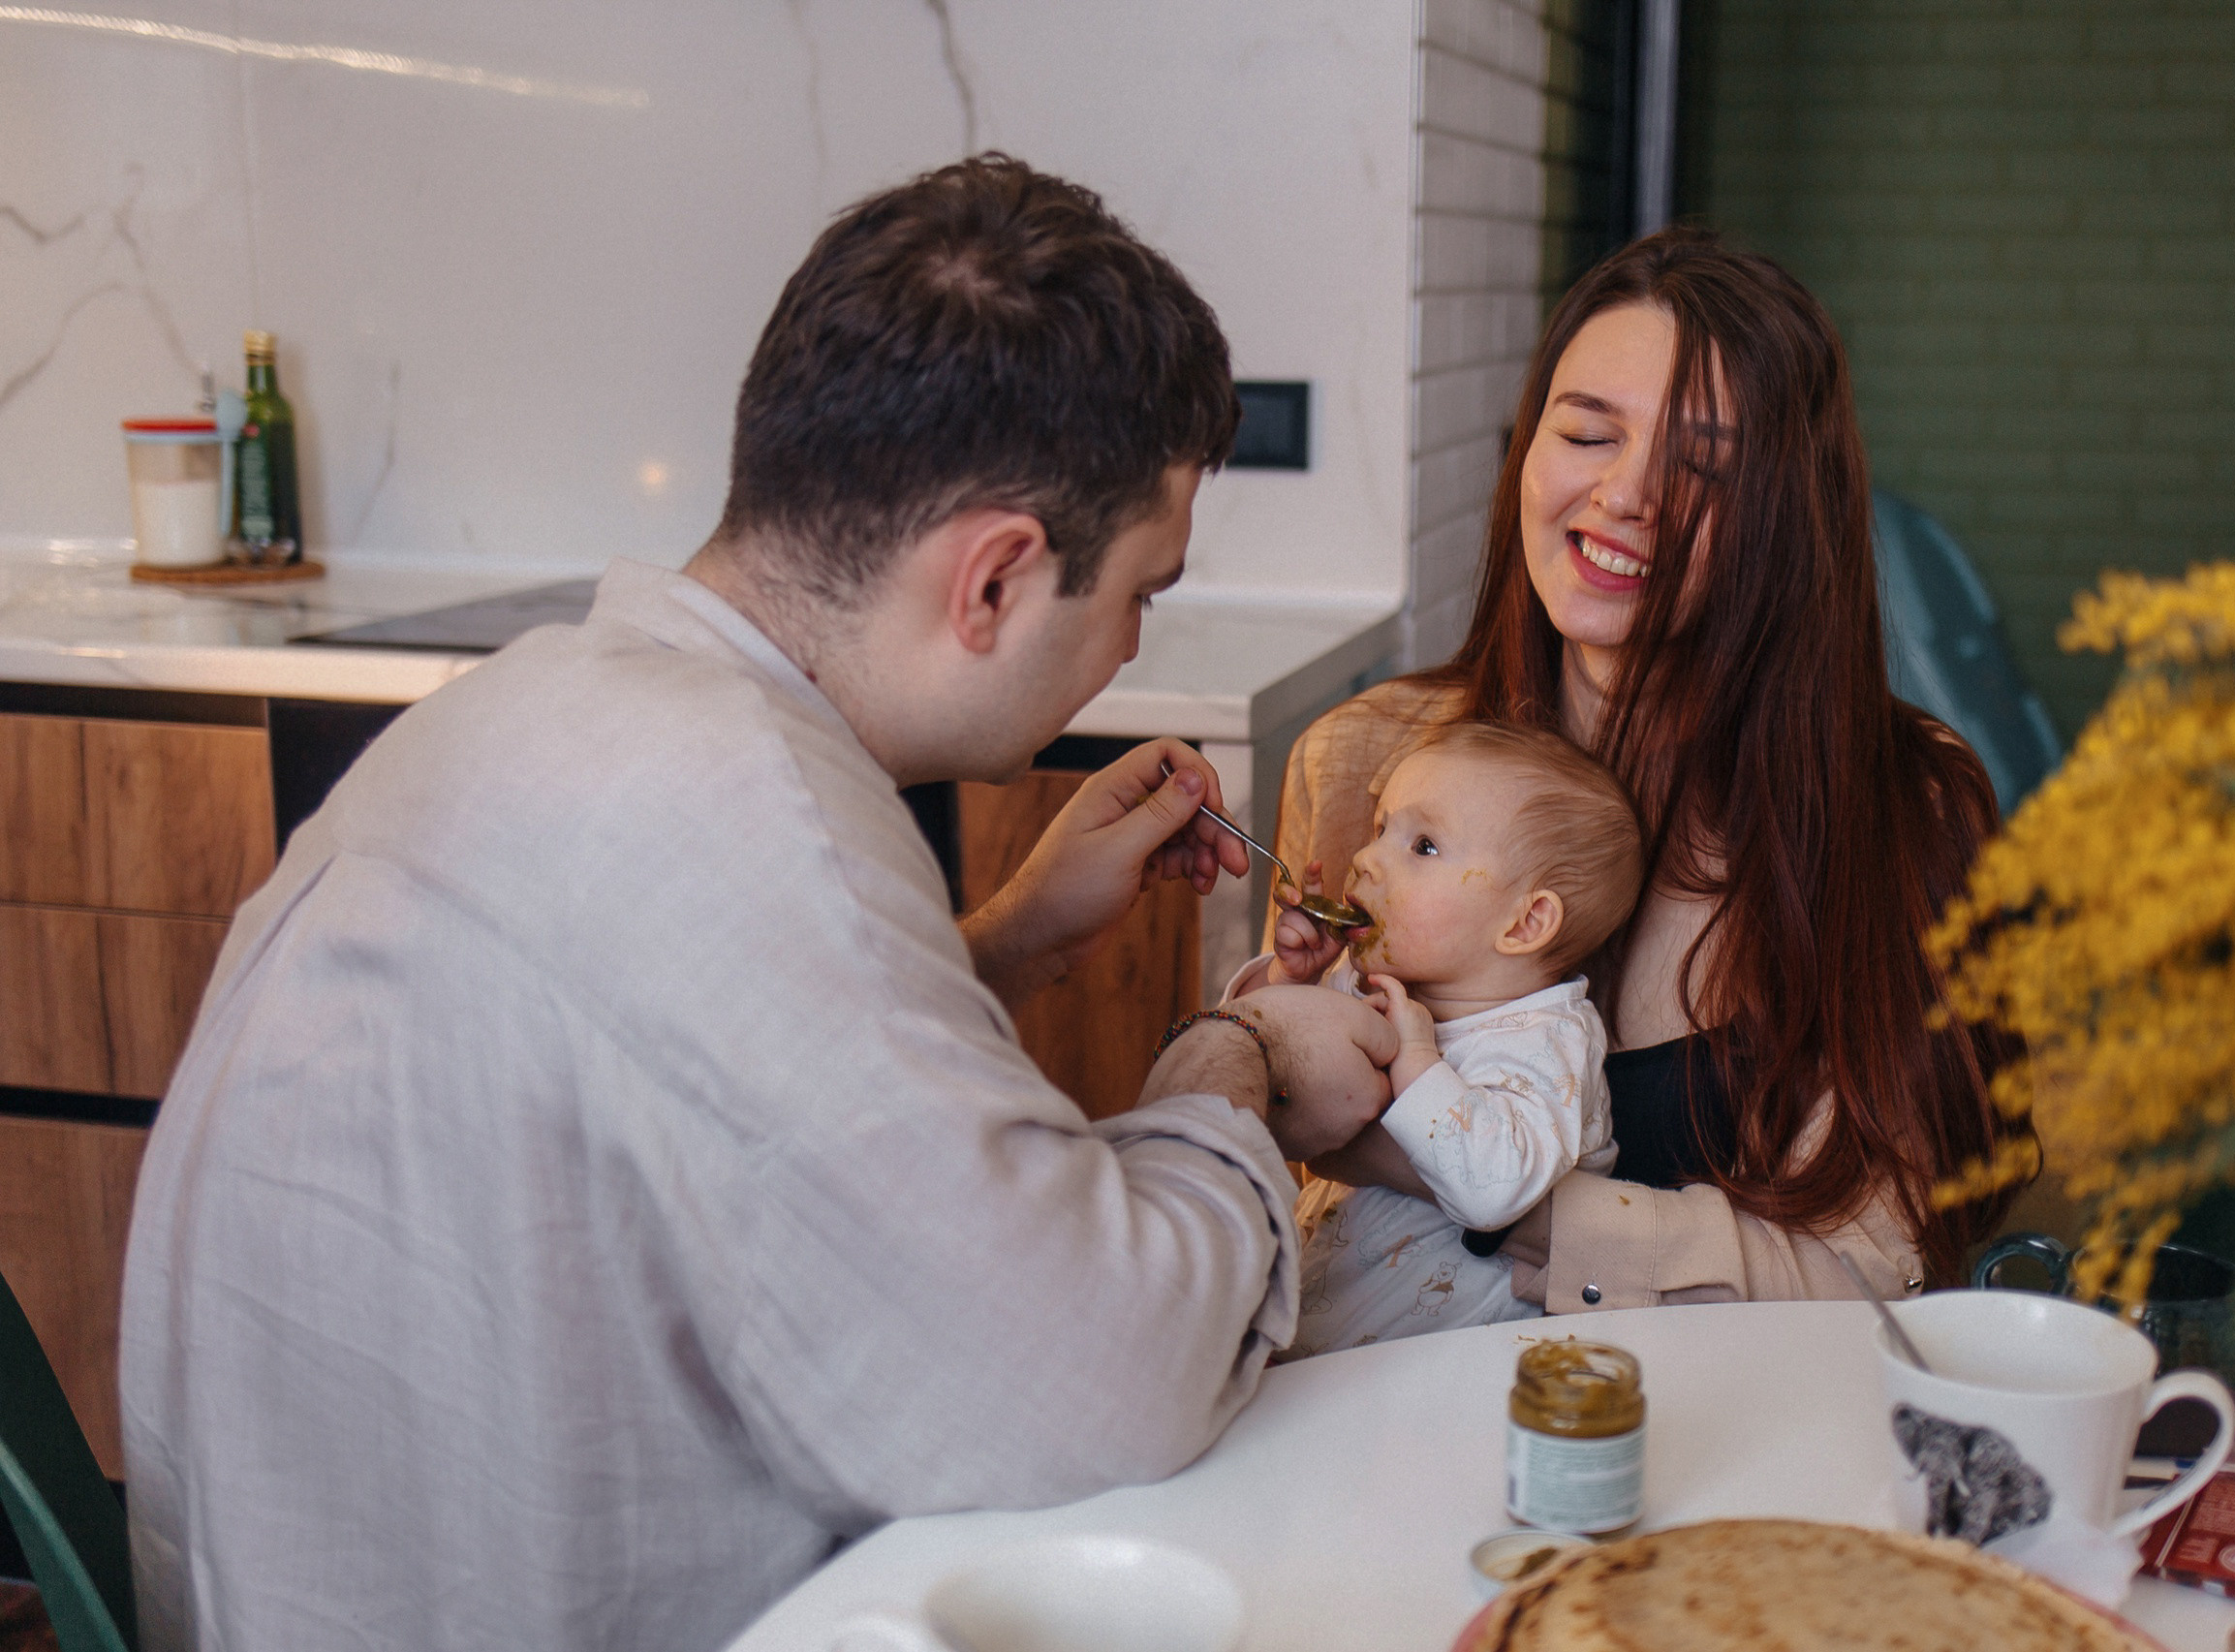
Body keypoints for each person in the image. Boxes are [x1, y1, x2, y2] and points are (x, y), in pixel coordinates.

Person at [119, 157, 1398, 1652]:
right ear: (992, 580)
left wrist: (1017, 936)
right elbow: (1095, 1374)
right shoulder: (748, 819)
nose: (1128, 642)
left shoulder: (551, 705)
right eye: (1141, 589)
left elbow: (706, 1100)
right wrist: (1228, 1070)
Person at [1276, 227, 2019, 1314]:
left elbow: (1874, 1266)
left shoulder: (1901, 807)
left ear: (1787, 519)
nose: (1627, 496)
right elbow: (1301, 1127)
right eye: (1584, 433)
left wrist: (1501, 1191)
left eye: (1704, 467)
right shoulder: (1370, 761)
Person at [1230, 722, 1646, 1357]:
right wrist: (1292, 978)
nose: (1367, 859)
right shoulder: (1380, 984)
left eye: (1422, 846)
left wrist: (1419, 1063)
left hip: (1450, 1377)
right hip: (1321, 1336)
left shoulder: (1548, 1038)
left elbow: (1493, 1192)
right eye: (1379, 830)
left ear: (1525, 921)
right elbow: (1250, 1063)